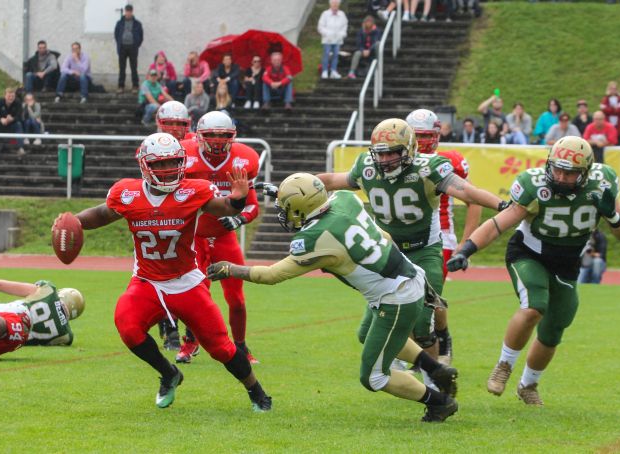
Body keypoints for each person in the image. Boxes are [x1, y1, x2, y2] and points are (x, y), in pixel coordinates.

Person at [207, 173, 459, 423]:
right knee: (366, 334)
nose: (283, 213)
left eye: (286, 208)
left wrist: (231, 269)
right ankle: (436, 370)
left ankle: (440, 403)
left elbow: (271, 275)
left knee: (373, 377)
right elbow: (385, 237)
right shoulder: (345, 200)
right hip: (407, 275)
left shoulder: (315, 240)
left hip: (396, 297)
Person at [70, 132, 272, 411]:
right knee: (127, 327)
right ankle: (169, 373)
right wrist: (73, 223)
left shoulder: (193, 190)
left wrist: (237, 200)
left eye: (173, 163)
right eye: (159, 165)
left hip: (186, 280)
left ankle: (256, 390)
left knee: (221, 348)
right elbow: (103, 214)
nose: (167, 170)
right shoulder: (127, 192)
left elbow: (222, 206)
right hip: (147, 280)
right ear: (144, 166)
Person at [446, 136, 620, 405]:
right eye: (556, 168)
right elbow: (501, 222)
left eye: (568, 172)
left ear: (584, 172)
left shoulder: (602, 182)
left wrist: (614, 216)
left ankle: (528, 385)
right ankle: (503, 365)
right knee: (534, 305)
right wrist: (467, 249)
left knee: (554, 329)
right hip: (529, 253)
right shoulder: (534, 184)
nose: (559, 176)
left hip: (568, 262)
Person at [316, 119, 508, 373]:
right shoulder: (367, 167)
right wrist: (294, 185)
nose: (385, 160)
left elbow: (468, 193)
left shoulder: (428, 168)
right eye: (381, 153)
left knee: (421, 325)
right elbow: (329, 181)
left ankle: (435, 380)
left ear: (408, 149)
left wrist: (503, 206)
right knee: (366, 333)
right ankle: (411, 368)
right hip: (387, 253)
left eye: (392, 153)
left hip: (424, 250)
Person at [177, 111, 261, 364]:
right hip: (195, 237)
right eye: (211, 135)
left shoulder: (243, 160)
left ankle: (241, 347)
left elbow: (252, 205)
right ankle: (191, 342)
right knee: (196, 294)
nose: (216, 140)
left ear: (232, 137)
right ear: (199, 136)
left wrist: (239, 219)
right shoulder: (184, 156)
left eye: (222, 135)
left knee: (236, 298)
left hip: (224, 236)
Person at [406, 109, 483, 365]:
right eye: (416, 136)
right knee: (400, 295)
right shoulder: (392, 160)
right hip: (402, 237)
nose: (421, 142)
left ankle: (441, 339)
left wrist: (465, 244)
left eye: (426, 135)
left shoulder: (447, 162)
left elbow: (474, 201)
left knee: (429, 299)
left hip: (440, 236)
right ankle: (410, 352)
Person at [114, 4, 143, 94]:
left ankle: (135, 86)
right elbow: (116, 34)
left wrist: (136, 44)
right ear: (125, 12)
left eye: (130, 11)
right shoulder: (119, 23)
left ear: (132, 12)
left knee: (134, 68)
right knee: (122, 68)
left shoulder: (137, 23)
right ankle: (121, 86)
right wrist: (120, 43)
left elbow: (141, 36)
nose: (128, 13)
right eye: (127, 11)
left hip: (133, 47)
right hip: (122, 47)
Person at [318, 0, 348, 79]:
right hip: (327, 39)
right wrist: (327, 33)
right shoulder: (325, 14)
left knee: (335, 55)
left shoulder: (342, 14)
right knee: (326, 54)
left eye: (337, 4)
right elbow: (320, 27)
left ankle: (333, 71)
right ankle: (324, 71)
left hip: (337, 39)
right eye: (334, 4)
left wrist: (342, 34)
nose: (335, 5)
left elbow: (345, 25)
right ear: (330, 5)